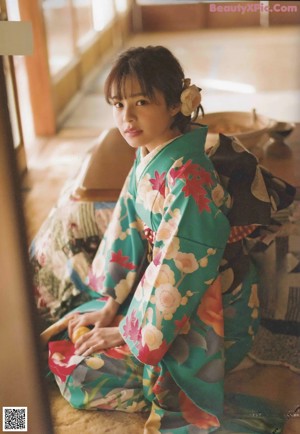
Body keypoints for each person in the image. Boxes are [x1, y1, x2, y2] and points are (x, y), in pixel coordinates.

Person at [47, 46, 294, 433]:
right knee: (78, 331)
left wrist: (130, 332)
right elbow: (126, 228)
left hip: (208, 313)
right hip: (163, 301)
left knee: (81, 372)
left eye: (141, 102)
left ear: (176, 104)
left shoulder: (188, 178)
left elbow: (180, 270)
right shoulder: (147, 153)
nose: (126, 117)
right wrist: (112, 306)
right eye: (118, 103)